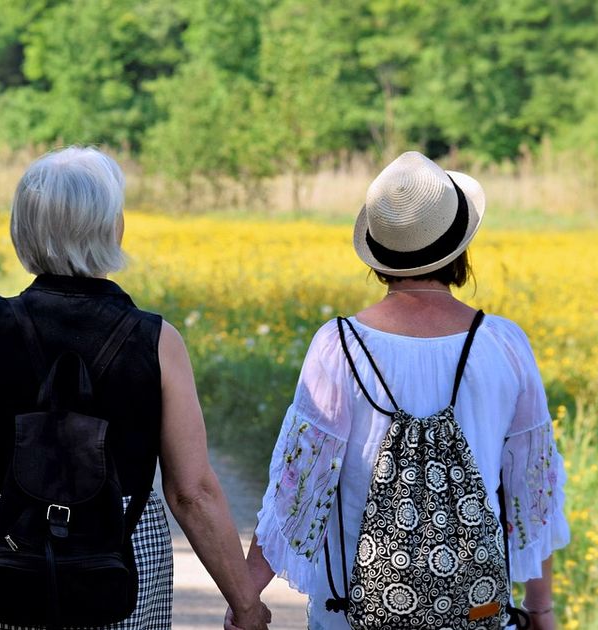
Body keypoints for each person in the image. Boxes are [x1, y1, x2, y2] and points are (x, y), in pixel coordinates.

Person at [0, 147, 272, 629]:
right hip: (122, 557)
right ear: (113, 228)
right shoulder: (158, 340)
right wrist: (245, 605)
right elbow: (192, 492)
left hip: (11, 549)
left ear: (24, 229)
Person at [241, 152, 569, 629]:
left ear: (379, 255)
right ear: (458, 249)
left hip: (352, 614)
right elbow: (531, 492)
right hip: (473, 609)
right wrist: (540, 609)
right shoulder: (504, 344)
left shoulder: (339, 346)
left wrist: (245, 596)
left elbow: (299, 488)